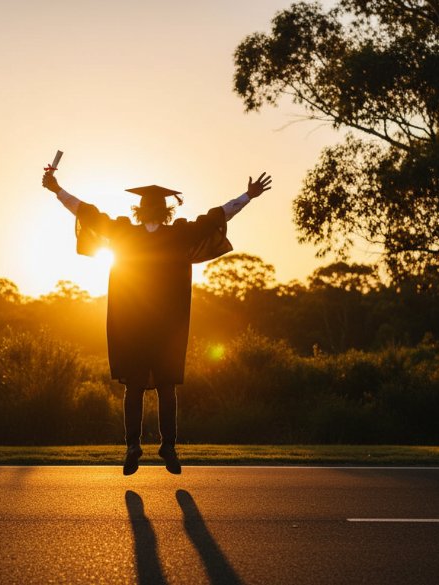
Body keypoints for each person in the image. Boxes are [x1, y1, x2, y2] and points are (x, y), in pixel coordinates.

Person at [42, 168, 272, 475]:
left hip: (131, 323)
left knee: (134, 387)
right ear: (166, 211)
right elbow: (218, 216)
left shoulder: (124, 232)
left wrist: (57, 189)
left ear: (139, 210)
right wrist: (248, 196)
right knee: (166, 387)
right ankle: (168, 447)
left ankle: (132, 446)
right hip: (168, 324)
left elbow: (85, 211)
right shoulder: (179, 233)